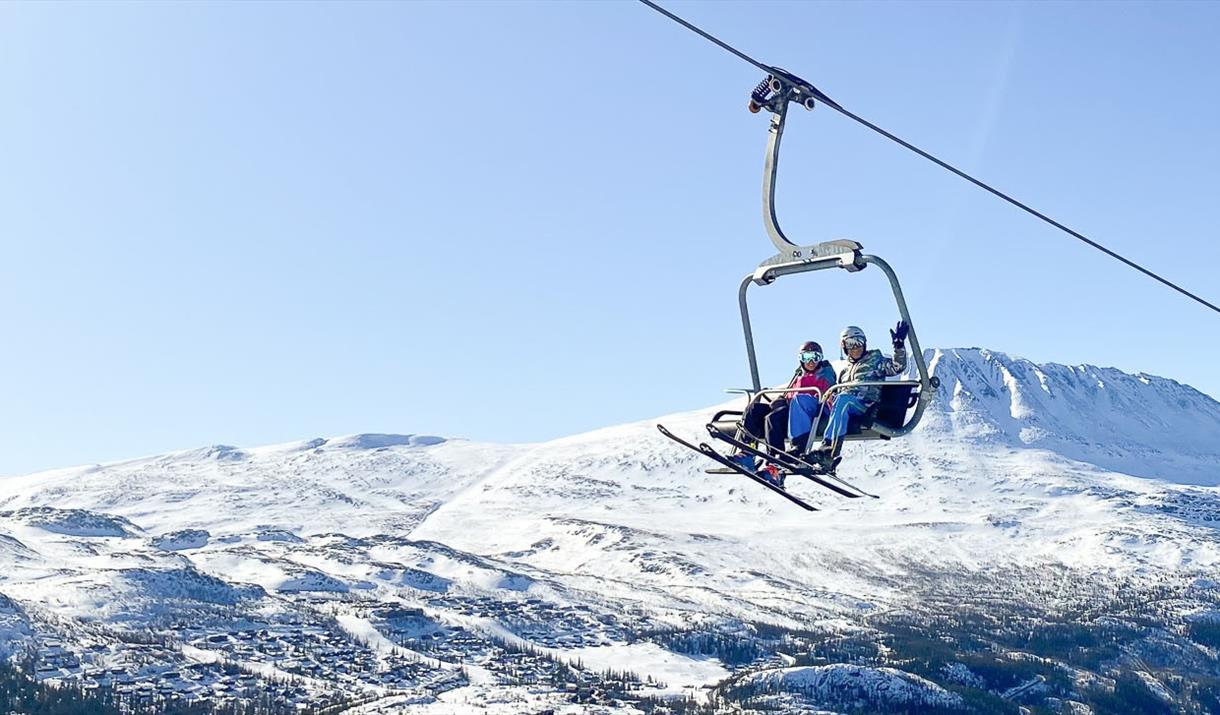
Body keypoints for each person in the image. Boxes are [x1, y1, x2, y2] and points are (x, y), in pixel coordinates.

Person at [729, 341, 836, 486]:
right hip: (790, 405)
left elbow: (824, 395)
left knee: (773, 417)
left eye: (815, 357)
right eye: (806, 357)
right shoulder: (798, 374)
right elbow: (789, 392)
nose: (811, 362)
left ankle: (775, 462)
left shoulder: (825, 374)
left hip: (807, 412)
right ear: (801, 359)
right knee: (754, 409)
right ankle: (748, 451)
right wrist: (780, 400)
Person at [809, 322, 909, 471]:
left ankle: (829, 451)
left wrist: (899, 346)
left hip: (865, 405)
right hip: (845, 404)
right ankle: (803, 452)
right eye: (851, 343)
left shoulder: (875, 361)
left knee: (844, 400)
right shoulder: (845, 370)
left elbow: (897, 367)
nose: (856, 347)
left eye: (859, 342)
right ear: (844, 347)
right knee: (835, 401)